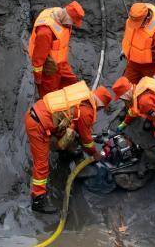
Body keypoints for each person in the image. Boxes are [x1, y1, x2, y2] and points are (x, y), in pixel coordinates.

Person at [24, 81, 113, 213]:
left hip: (39, 112)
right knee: (41, 165)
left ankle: (64, 152)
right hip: (39, 125)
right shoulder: (86, 110)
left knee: (68, 134)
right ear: (100, 105)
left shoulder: (81, 96)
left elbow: (71, 121)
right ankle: (38, 200)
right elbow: (86, 139)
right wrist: (94, 153)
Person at [28, 1, 84, 98]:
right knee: (50, 94)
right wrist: (38, 78)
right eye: (73, 22)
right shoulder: (45, 32)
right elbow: (38, 59)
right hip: (49, 67)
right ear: (67, 16)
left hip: (61, 62)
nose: (73, 25)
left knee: (72, 83)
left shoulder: (59, 12)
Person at [120, 2, 155, 82]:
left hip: (150, 67)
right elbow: (130, 36)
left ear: (146, 19)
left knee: (150, 92)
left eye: (137, 24)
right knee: (124, 87)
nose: (135, 26)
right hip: (133, 62)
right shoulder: (136, 15)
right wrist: (126, 50)